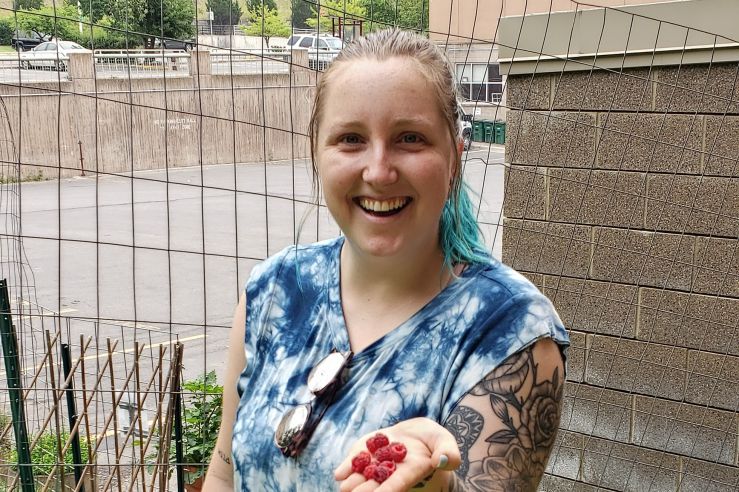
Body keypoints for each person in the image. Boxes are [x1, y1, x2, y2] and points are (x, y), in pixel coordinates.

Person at [203, 28, 568, 491]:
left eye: (410, 138)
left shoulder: (511, 331)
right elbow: (223, 471)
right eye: (351, 139)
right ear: (317, 152)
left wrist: (436, 486)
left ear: (455, 157)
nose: (378, 171)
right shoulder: (274, 289)